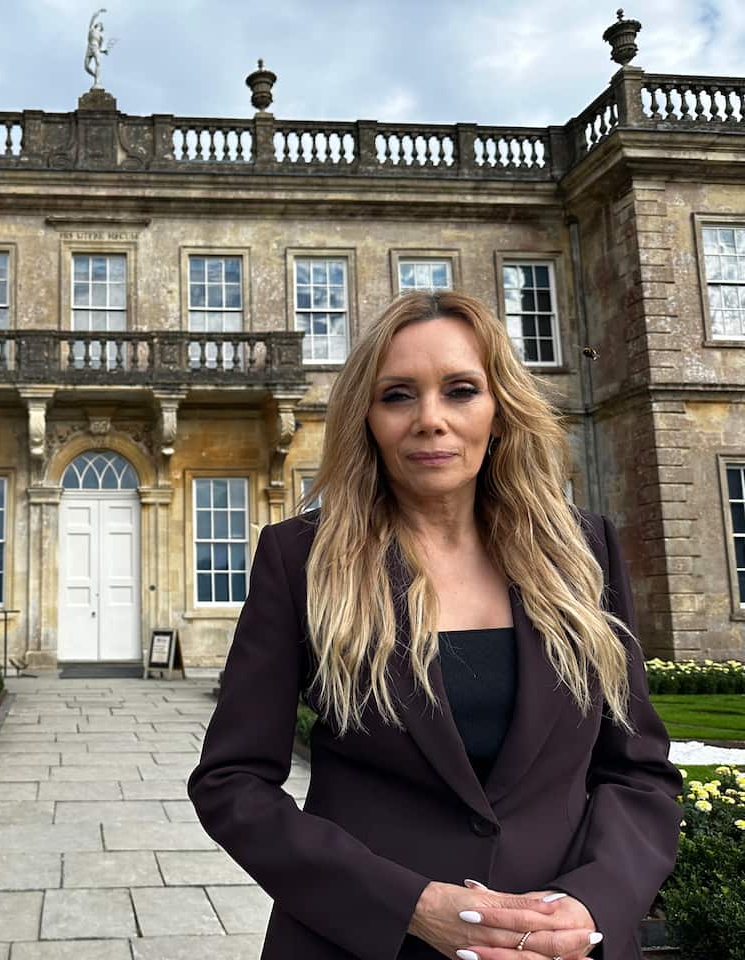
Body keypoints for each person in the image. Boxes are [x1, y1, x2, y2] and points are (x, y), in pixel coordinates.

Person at [187, 291, 683, 960]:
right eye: (397, 395)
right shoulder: (301, 559)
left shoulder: (583, 550)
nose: (431, 420)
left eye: (460, 390)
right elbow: (232, 782)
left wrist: (595, 902)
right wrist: (410, 907)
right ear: (366, 416)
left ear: (499, 408)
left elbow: (637, 772)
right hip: (361, 944)